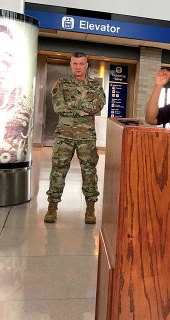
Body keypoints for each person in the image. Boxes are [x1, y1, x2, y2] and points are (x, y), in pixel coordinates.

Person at [44, 52, 105, 224]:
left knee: (90, 172)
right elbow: (58, 107)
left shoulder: (95, 86)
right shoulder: (61, 84)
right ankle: (52, 208)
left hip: (87, 138)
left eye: (81, 64)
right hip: (64, 136)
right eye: (75, 64)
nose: (78, 67)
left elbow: (98, 106)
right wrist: (85, 107)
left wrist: (73, 105)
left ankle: (90, 209)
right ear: (71, 65)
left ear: (86, 65)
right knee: (58, 170)